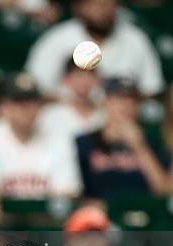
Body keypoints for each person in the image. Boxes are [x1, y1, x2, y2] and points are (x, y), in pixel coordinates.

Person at [0, 72, 82, 199]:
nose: (28, 109)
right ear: (4, 106)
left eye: (32, 102)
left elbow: (68, 193)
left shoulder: (59, 141)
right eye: (19, 102)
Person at [25, 0, 164, 97]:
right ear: (79, 7)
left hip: (118, 124)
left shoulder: (135, 39)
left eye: (107, 3)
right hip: (69, 122)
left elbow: (152, 89)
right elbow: (35, 88)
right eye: (94, 3)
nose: (101, 9)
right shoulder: (56, 39)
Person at [75, 77, 169, 199]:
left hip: (144, 211)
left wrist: (139, 146)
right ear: (105, 101)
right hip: (99, 213)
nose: (127, 105)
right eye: (120, 98)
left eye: (133, 100)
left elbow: (163, 190)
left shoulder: (154, 142)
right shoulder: (85, 141)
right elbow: (76, 190)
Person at [38, 58, 105, 139]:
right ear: (66, 79)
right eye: (78, 74)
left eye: (89, 74)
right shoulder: (50, 115)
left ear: (97, 79)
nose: (84, 81)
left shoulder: (105, 116)